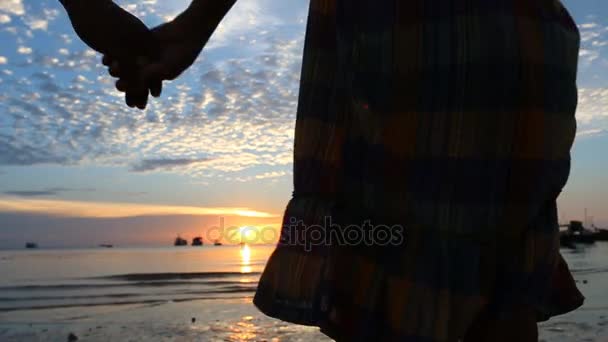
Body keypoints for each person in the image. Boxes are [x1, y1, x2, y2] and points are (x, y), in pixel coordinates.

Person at [94, 0, 584, 341]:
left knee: (389, 294)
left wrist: (196, 24)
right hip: (530, 34)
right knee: (505, 288)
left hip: (406, 35)